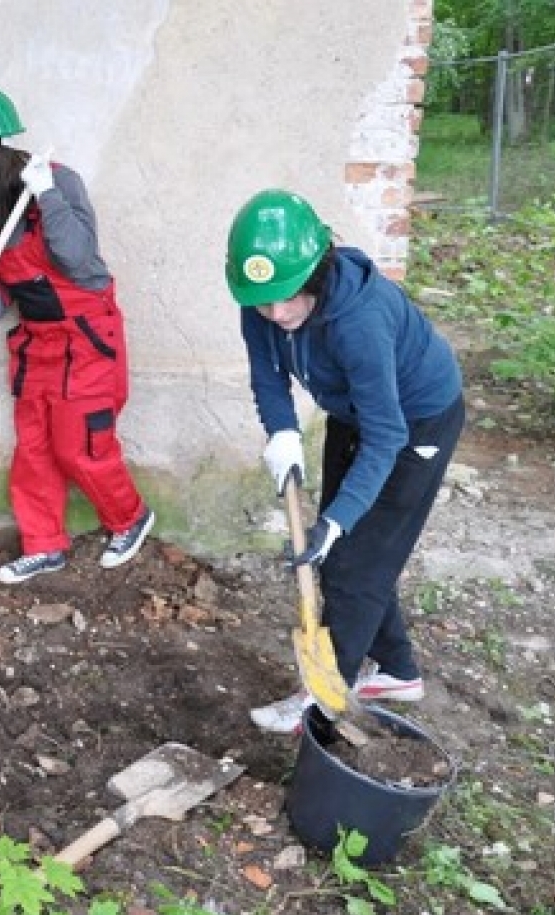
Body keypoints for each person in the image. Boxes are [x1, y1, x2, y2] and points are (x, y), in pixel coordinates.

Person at [225, 189, 465, 734]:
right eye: (264, 302)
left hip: (415, 423)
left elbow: (387, 436)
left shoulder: (361, 321)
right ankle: (400, 671)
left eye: (288, 298)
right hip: (354, 413)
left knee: (352, 561)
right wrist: (282, 433)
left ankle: (324, 695)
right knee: (359, 555)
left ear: (315, 272)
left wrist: (335, 522)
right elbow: (268, 377)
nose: (277, 313)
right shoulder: (261, 297)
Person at [0, 87, 155, 585]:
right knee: (33, 448)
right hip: (38, 346)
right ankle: (42, 545)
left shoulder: (58, 183)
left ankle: (130, 518)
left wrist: (48, 197)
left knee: (79, 446)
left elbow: (78, 259)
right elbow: (2, 284)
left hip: (87, 340)